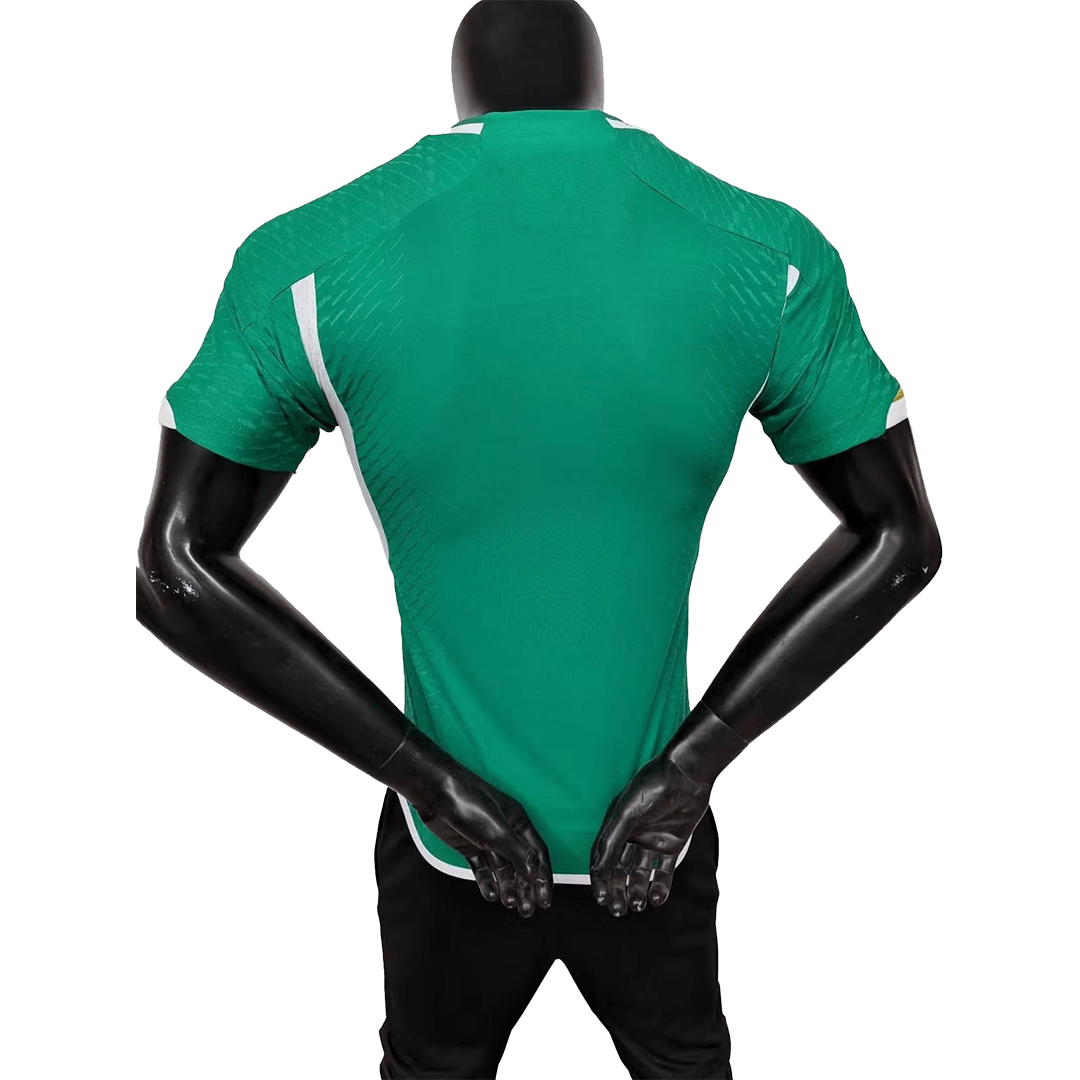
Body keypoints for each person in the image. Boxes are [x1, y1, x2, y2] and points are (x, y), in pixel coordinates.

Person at [135, 1, 942, 1076]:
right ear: (596, 76)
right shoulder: (763, 250)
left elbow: (173, 571)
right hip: (654, 833)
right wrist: (693, 764)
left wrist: (431, 780)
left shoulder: (311, 258)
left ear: (461, 84)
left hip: (451, 839)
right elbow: (901, 540)